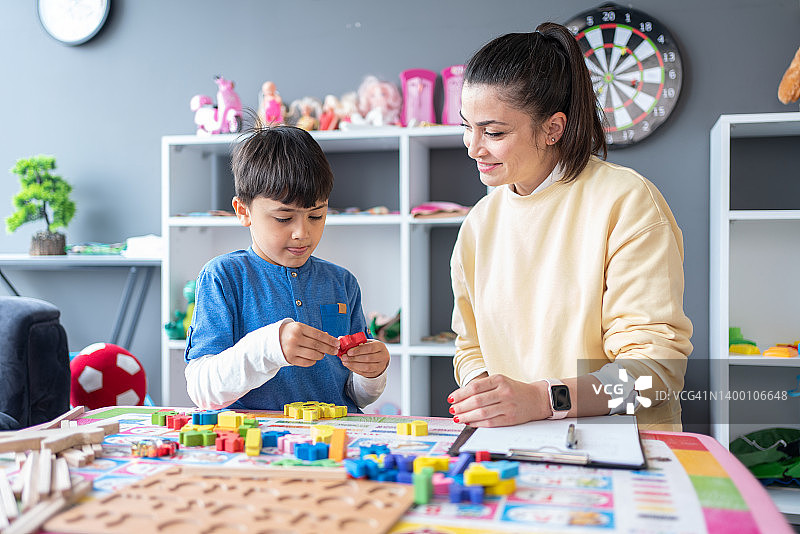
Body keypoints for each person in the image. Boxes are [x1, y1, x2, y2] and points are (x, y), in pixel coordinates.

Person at [448, 23, 693, 431]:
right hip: (518, 447)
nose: (474, 147)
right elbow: (470, 346)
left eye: (493, 132)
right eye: (466, 127)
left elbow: (655, 376)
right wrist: (487, 395)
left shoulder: (625, 201)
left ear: (552, 129)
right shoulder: (479, 223)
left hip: (625, 450)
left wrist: (543, 400)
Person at [184, 126, 390, 413]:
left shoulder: (342, 282)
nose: (302, 233)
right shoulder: (223, 277)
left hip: (335, 440)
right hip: (258, 445)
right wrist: (270, 347)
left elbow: (355, 396)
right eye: (283, 218)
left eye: (316, 215)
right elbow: (202, 390)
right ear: (243, 212)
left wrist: (372, 374)